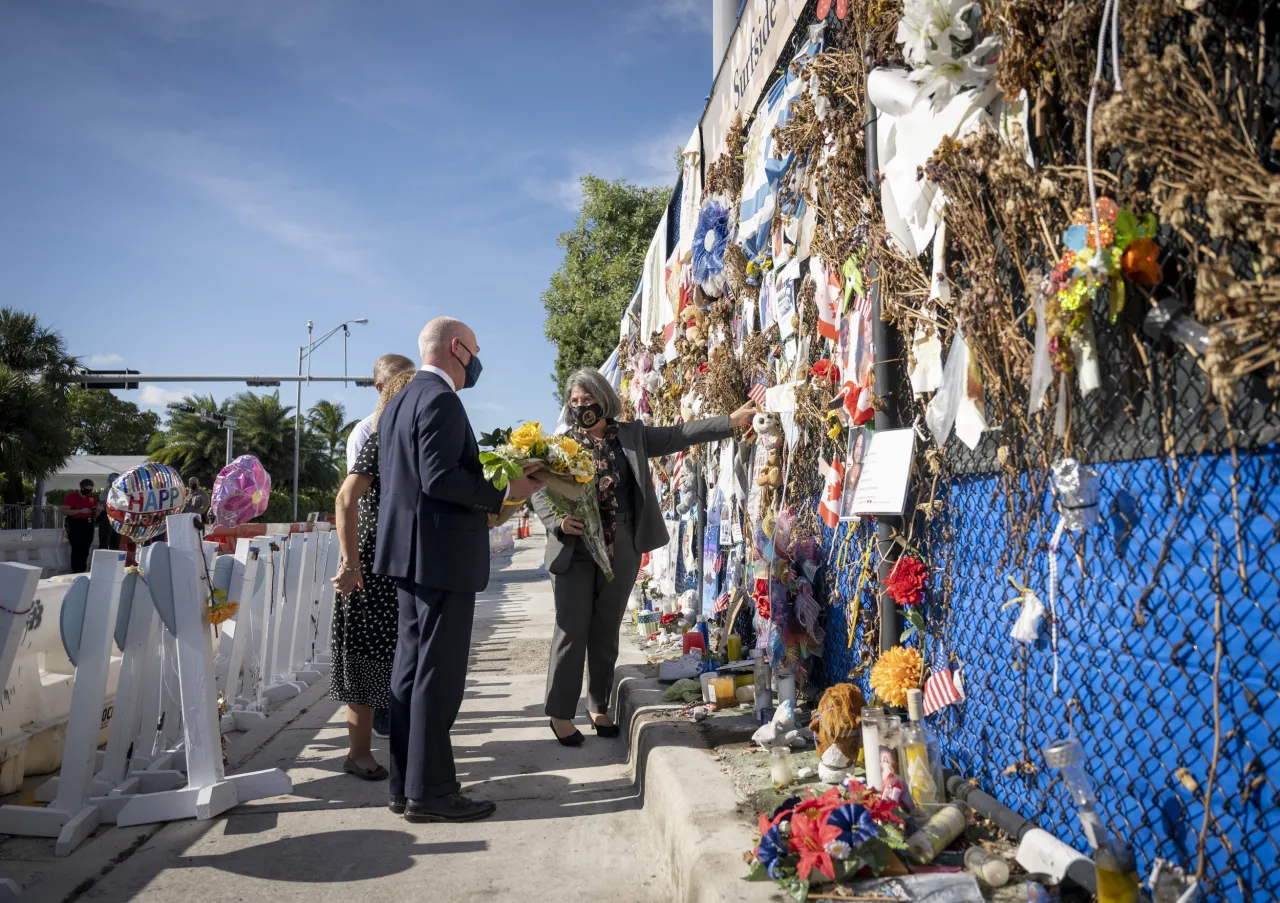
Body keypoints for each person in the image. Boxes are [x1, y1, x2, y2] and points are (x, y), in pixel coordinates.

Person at [531, 369, 756, 746]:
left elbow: (678, 435)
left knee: (605, 629)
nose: (582, 407)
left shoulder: (630, 435)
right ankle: (559, 713)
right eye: (575, 402)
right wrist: (557, 521)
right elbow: (536, 487)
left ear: (604, 399)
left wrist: (728, 423)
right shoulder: (561, 444)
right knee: (571, 628)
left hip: (621, 544)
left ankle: (599, 705)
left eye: (588, 400)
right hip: (576, 547)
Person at [373, 317, 541, 823]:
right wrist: (505, 492)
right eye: (476, 350)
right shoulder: (441, 400)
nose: (478, 362)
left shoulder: (400, 399)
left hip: (408, 553)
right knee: (437, 677)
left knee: (409, 673)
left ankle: (406, 785)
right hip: (440, 555)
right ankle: (433, 792)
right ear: (456, 348)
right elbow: (441, 477)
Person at [330, 368, 415, 781]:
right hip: (370, 564)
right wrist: (350, 563)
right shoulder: (376, 436)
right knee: (366, 659)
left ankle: (403, 746)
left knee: (401, 658)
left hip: (403, 562)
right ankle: (358, 752)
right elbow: (345, 499)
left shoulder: (410, 439)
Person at [61, 479, 98, 573]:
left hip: (88, 523)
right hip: (75, 523)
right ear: (81, 488)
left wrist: (96, 510)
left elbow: (93, 509)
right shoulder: (71, 497)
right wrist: (80, 511)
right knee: (77, 547)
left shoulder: (91, 497)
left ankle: (82, 568)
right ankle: (76, 569)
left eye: (90, 490)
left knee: (86, 547)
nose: (88, 492)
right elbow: (65, 511)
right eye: (86, 489)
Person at [97, 473, 121, 552]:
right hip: (106, 517)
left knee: (116, 541)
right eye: (111, 479)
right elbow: (104, 504)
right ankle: (103, 561)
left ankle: (113, 561)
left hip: (117, 518)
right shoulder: (105, 492)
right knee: (104, 540)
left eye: (115, 479)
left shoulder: (120, 492)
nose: (113, 481)